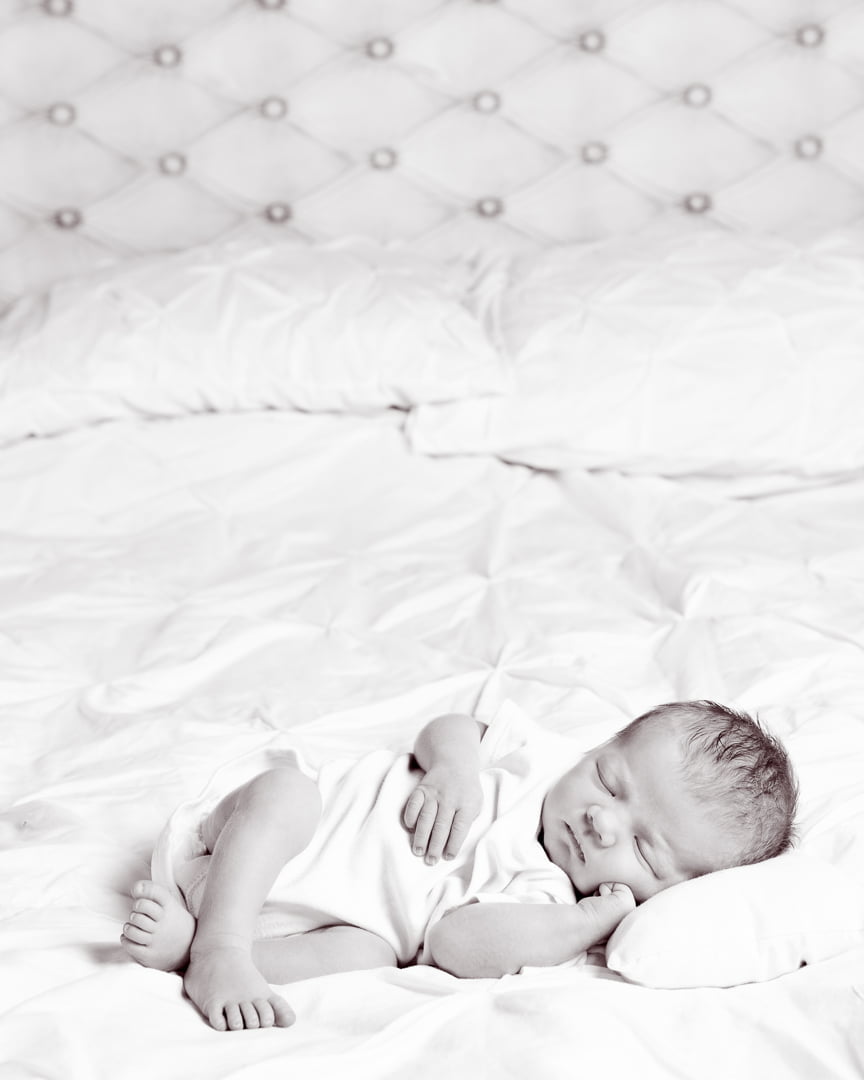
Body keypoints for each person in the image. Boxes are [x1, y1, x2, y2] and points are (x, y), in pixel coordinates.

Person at [120, 699, 797, 1032]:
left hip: (305, 924)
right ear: (598, 748)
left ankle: (196, 946)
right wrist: (454, 767)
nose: (602, 819)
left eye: (643, 847)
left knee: (366, 957)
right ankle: (219, 947)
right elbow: (450, 726)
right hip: (259, 841)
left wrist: (588, 922)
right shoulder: (537, 757)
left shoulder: (551, 902)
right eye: (609, 781)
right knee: (286, 792)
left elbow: (452, 944)